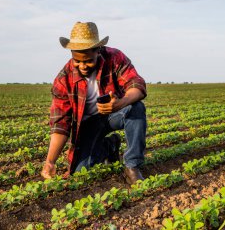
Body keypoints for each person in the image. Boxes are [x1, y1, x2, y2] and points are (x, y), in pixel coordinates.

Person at [40, 22, 147, 185]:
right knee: (80, 171)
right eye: (77, 60)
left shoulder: (115, 58)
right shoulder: (63, 80)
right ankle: (110, 146)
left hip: (113, 114)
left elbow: (136, 85)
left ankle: (132, 166)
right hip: (88, 125)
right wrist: (50, 161)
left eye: (88, 61)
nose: (82, 66)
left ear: (98, 50)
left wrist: (120, 103)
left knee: (136, 107)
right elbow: (60, 125)